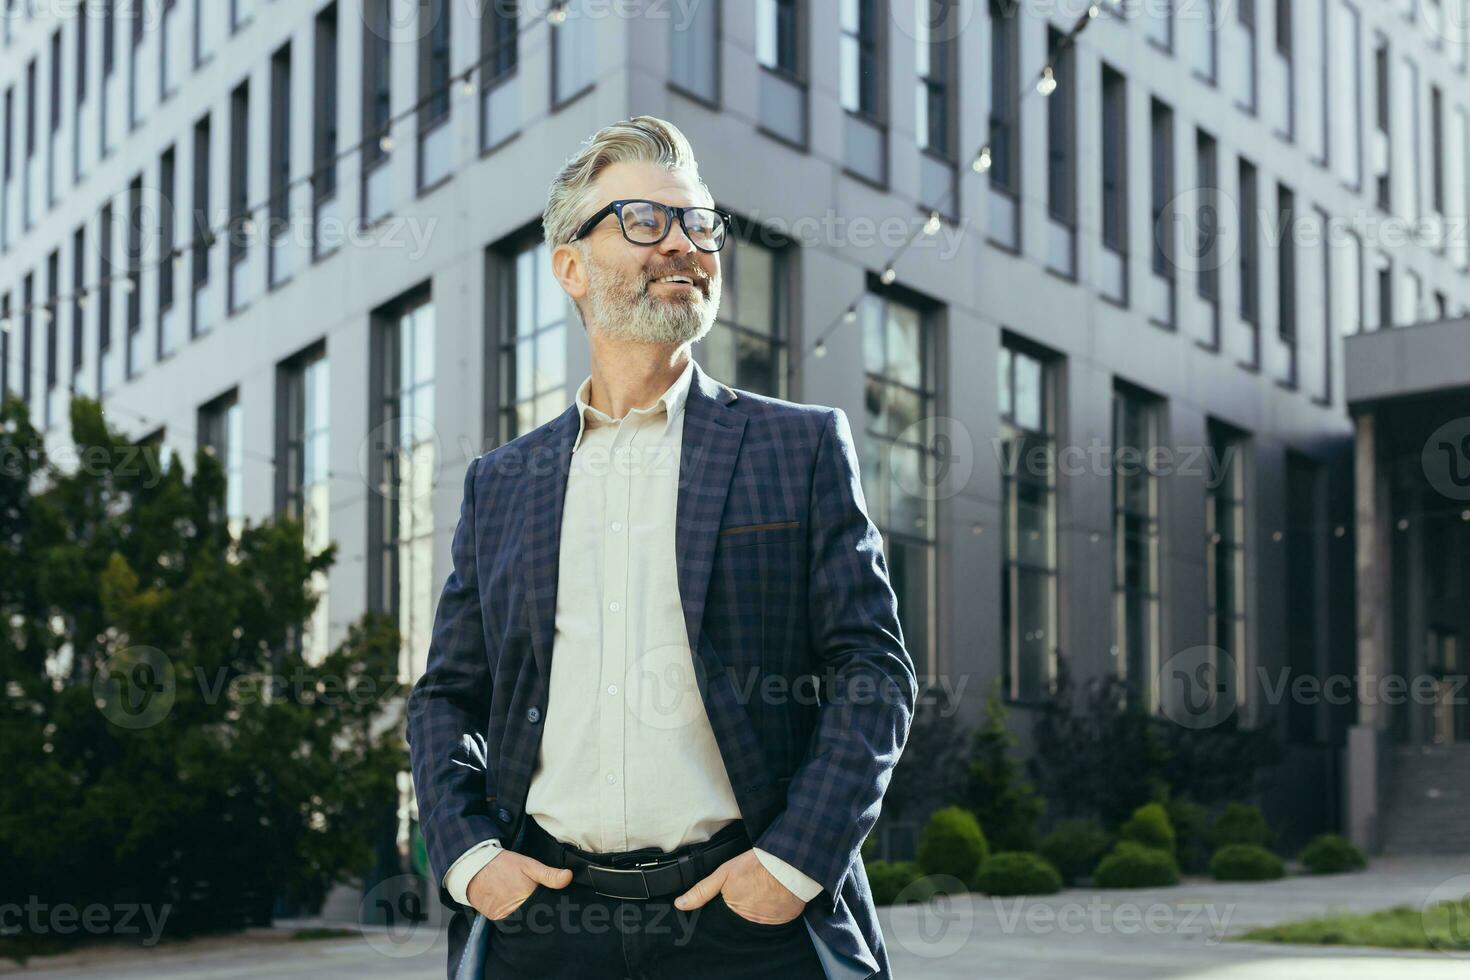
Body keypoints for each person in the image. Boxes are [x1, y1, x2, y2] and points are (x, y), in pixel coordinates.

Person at [407, 115, 916, 980]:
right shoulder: (502, 483)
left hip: (746, 927)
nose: (683, 244)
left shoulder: (799, 448)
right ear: (570, 265)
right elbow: (447, 698)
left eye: (700, 223)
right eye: (645, 221)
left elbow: (872, 671)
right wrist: (469, 861)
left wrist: (792, 866)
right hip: (546, 930)